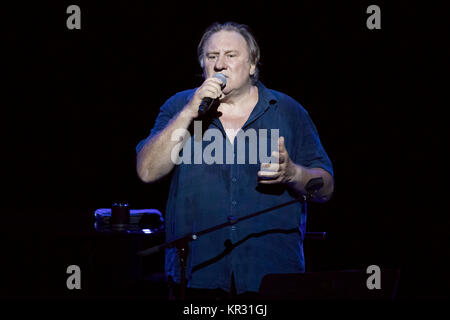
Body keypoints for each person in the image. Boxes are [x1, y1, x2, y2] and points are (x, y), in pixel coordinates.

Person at [136, 21, 334, 299]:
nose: (220, 65)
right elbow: (146, 171)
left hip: (270, 272)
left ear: (252, 65)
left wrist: (293, 174)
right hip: (196, 274)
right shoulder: (178, 106)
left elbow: (325, 187)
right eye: (211, 56)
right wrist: (189, 112)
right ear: (202, 65)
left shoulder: (288, 111)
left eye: (231, 55)